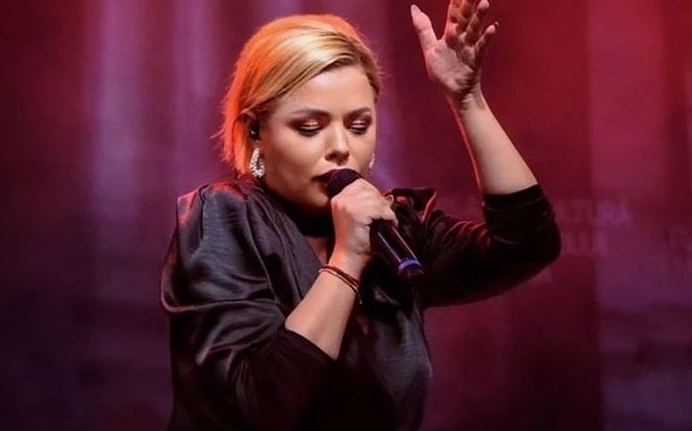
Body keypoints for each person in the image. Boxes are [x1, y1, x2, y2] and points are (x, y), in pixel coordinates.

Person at [160, 2, 560, 430]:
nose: (340, 147)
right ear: (256, 130)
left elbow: (527, 244)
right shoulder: (224, 218)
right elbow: (258, 407)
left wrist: (468, 101)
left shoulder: (394, 227)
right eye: (310, 127)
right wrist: (346, 261)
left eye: (358, 125)